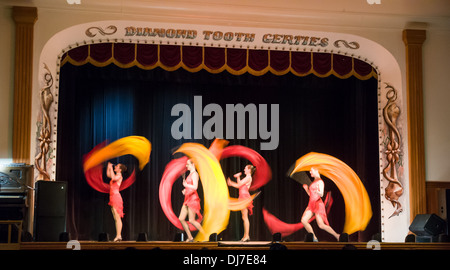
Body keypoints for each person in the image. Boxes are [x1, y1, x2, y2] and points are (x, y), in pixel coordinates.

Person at [301, 167, 340, 241]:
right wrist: (306, 189)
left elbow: (321, 194)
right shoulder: (314, 181)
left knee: (321, 225)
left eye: (311, 170)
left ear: (316, 170)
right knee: (304, 220)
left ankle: (337, 235)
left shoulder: (320, 181)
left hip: (318, 204)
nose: (310, 172)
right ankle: (314, 238)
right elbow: (311, 195)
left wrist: (317, 191)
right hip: (311, 204)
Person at [227, 164, 256, 242]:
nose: (244, 169)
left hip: (244, 197)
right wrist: (238, 177)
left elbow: (238, 185)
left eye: (245, 168)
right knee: (244, 217)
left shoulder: (248, 177)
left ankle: (246, 236)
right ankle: (245, 236)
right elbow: (240, 185)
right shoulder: (247, 177)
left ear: (249, 170)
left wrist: (231, 183)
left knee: (245, 217)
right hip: (242, 197)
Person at [179, 159, 204, 242]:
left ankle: (205, 235)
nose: (186, 166)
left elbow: (195, 187)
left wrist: (186, 185)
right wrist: (185, 190)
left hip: (193, 199)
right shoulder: (190, 174)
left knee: (191, 220)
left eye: (188, 164)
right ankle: (190, 237)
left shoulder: (194, 174)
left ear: (193, 165)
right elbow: (189, 188)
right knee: (181, 218)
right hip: (187, 198)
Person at [106, 162, 127, 242]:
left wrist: (111, 168)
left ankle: (119, 236)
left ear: (120, 169)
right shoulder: (115, 175)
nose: (115, 166)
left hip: (116, 197)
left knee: (117, 217)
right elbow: (109, 175)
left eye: (117, 166)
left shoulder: (119, 175)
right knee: (115, 217)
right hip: (112, 197)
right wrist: (109, 167)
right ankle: (118, 235)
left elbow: (113, 178)